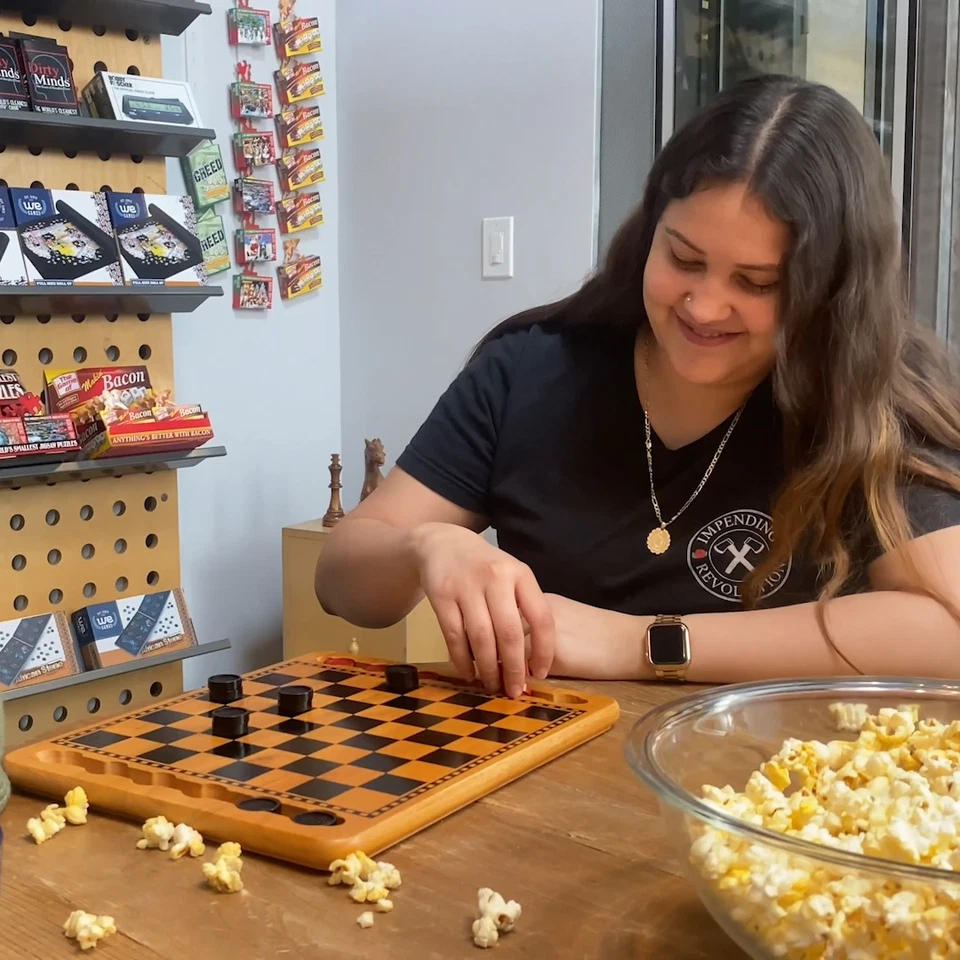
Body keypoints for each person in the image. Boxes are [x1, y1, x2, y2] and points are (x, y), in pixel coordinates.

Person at [315, 74, 960, 698]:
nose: (704, 307)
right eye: (683, 258)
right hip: (542, 776)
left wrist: (638, 643)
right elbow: (341, 580)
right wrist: (429, 545)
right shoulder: (530, 371)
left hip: (772, 789)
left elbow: (947, 629)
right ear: (650, 229)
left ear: (831, 292)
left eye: (756, 283)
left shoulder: (875, 398)